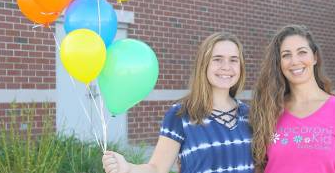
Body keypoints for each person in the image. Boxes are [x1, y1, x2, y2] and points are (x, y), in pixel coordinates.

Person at [103, 32, 254, 173]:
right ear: (204, 64)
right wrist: (128, 168)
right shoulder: (180, 115)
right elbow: (156, 168)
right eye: (217, 59)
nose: (226, 67)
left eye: (233, 60)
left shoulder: (251, 115)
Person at [250, 25, 335, 173]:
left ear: (315, 57)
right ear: (279, 63)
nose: (294, 61)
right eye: (286, 55)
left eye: (302, 52)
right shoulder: (268, 109)